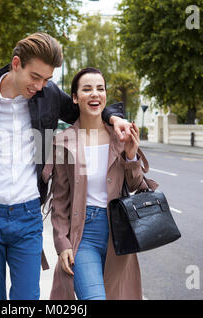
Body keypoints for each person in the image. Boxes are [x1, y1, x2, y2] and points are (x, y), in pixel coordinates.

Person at [0, 33, 134, 300]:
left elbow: (86, 107)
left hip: (27, 219)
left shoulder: (47, 96)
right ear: (16, 64)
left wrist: (114, 117)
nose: (40, 85)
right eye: (35, 77)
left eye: (47, 79)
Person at [42, 68, 158, 300]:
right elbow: (61, 200)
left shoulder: (120, 136)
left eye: (100, 88)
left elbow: (136, 185)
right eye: (87, 89)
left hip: (119, 235)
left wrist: (131, 156)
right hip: (83, 234)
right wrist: (62, 243)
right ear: (75, 98)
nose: (95, 94)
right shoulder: (64, 142)